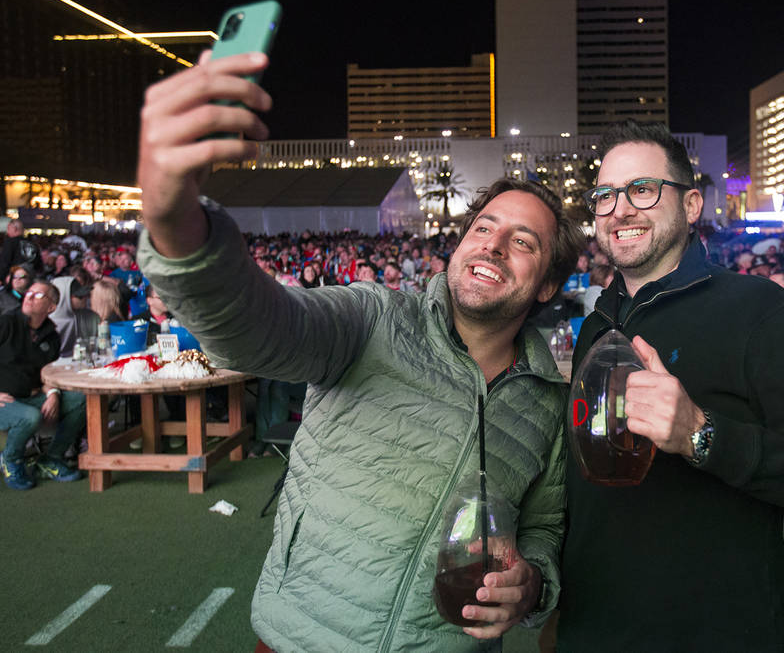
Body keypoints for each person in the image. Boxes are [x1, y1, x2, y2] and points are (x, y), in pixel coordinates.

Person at [136, 49, 585, 650]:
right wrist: (175, 222)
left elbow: (545, 526)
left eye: (522, 241)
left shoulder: (548, 399)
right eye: (483, 227)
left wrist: (531, 583)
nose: (493, 244)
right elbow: (257, 327)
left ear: (549, 284)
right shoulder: (373, 318)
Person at [558, 120, 784, 650]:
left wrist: (701, 434)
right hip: (593, 627)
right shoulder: (598, 324)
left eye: (642, 189)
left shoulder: (759, 311)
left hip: (712, 632)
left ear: (690, 206)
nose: (619, 209)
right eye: (605, 196)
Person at [0, 281, 87, 489]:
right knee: (30, 416)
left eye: (38, 295)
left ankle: (52, 458)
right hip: (6, 400)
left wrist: (54, 393)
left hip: (32, 395)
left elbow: (46, 374)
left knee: (81, 399)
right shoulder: (6, 323)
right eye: (29, 292)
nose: (29, 297)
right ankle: (11, 460)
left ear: (51, 307)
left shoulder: (51, 335)